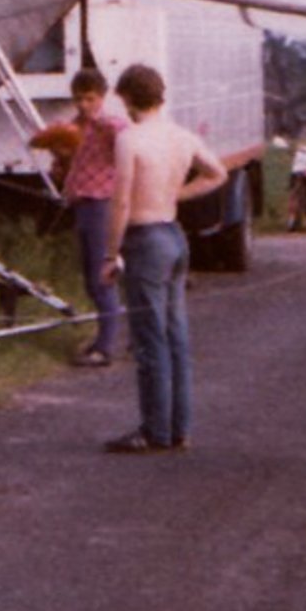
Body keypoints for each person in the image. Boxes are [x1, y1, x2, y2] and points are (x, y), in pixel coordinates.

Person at [101, 63, 227, 454]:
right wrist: (177, 195)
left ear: (128, 99)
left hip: (145, 239)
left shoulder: (130, 139)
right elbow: (217, 173)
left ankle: (154, 430)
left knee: (150, 340)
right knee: (175, 337)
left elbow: (121, 202)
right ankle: (179, 428)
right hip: (173, 234)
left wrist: (110, 253)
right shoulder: (182, 136)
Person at [35, 67, 126, 367]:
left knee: (102, 277)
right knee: (90, 278)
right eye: (78, 99)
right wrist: (60, 159)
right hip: (82, 205)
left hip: (103, 204)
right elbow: (65, 171)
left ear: (102, 97)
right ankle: (104, 338)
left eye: (89, 99)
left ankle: (105, 347)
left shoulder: (111, 125)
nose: (84, 105)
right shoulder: (73, 128)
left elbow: (128, 143)